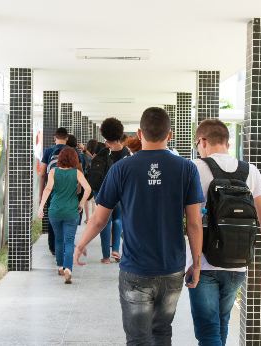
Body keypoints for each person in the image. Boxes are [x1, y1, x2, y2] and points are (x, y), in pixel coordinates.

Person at [73, 107, 205, 345]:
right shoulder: (187, 168)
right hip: (172, 269)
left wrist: (80, 244)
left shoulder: (121, 169)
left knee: (137, 339)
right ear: (171, 134)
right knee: (162, 332)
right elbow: (195, 222)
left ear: (139, 132)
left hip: (135, 270)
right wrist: (196, 263)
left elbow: (100, 218)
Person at [189, 119, 261, 346]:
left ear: (202, 142)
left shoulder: (194, 168)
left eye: (198, 144)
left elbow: (189, 219)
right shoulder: (250, 171)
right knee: (222, 324)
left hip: (204, 263)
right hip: (238, 263)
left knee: (208, 331)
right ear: (227, 145)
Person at [38, 147, 91, 284]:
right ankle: (68, 269)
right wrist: (81, 202)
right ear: (74, 159)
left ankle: (60, 266)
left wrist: (41, 206)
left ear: (60, 158)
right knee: (69, 240)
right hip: (71, 211)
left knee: (58, 239)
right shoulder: (77, 173)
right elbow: (88, 188)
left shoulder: (53, 171)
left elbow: (48, 188)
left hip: (54, 211)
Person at [94, 118, 130, 263]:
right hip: (121, 192)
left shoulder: (102, 151)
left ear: (104, 134)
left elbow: (94, 171)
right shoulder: (126, 152)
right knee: (117, 218)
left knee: (104, 221)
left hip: (104, 191)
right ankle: (116, 249)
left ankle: (106, 256)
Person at [39, 127, 69, 255]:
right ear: (67, 138)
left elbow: (42, 174)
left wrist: (41, 194)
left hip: (52, 190)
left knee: (53, 217)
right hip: (68, 190)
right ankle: (65, 245)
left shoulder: (48, 151)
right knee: (67, 218)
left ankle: (53, 248)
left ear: (54, 138)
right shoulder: (72, 151)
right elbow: (79, 171)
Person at [83, 139, 98, 223]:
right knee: (93, 201)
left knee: (86, 199)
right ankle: (93, 218)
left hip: (86, 177)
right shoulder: (98, 155)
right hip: (95, 177)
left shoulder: (85, 155)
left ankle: (87, 218)